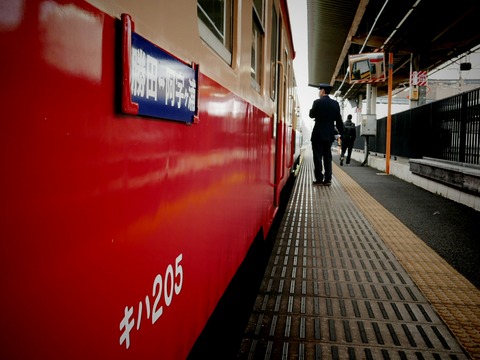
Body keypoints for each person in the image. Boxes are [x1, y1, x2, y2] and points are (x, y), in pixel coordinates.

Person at [309, 83, 344, 186]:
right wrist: (342, 133)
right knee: (327, 157)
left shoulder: (317, 102)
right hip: (329, 135)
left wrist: (313, 110)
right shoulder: (335, 104)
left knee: (317, 157)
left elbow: (311, 115)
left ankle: (319, 179)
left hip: (317, 135)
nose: (319, 92)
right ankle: (328, 179)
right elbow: (339, 121)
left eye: (320, 90)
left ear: (323, 91)